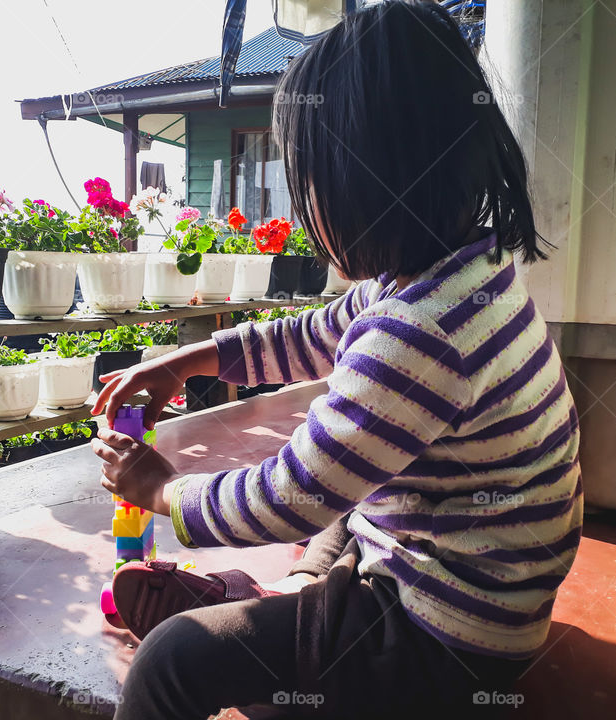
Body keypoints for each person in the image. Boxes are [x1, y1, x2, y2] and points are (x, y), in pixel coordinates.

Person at [91, 2, 582, 717]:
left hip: (441, 640)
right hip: (459, 577)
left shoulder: (420, 334)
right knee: (345, 514)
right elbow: (313, 334)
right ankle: (285, 606)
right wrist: (191, 360)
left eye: (309, 180)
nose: (305, 206)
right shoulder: (456, 273)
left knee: (173, 660)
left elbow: (287, 495)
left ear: (365, 180)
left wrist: (162, 489)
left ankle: (272, 615)